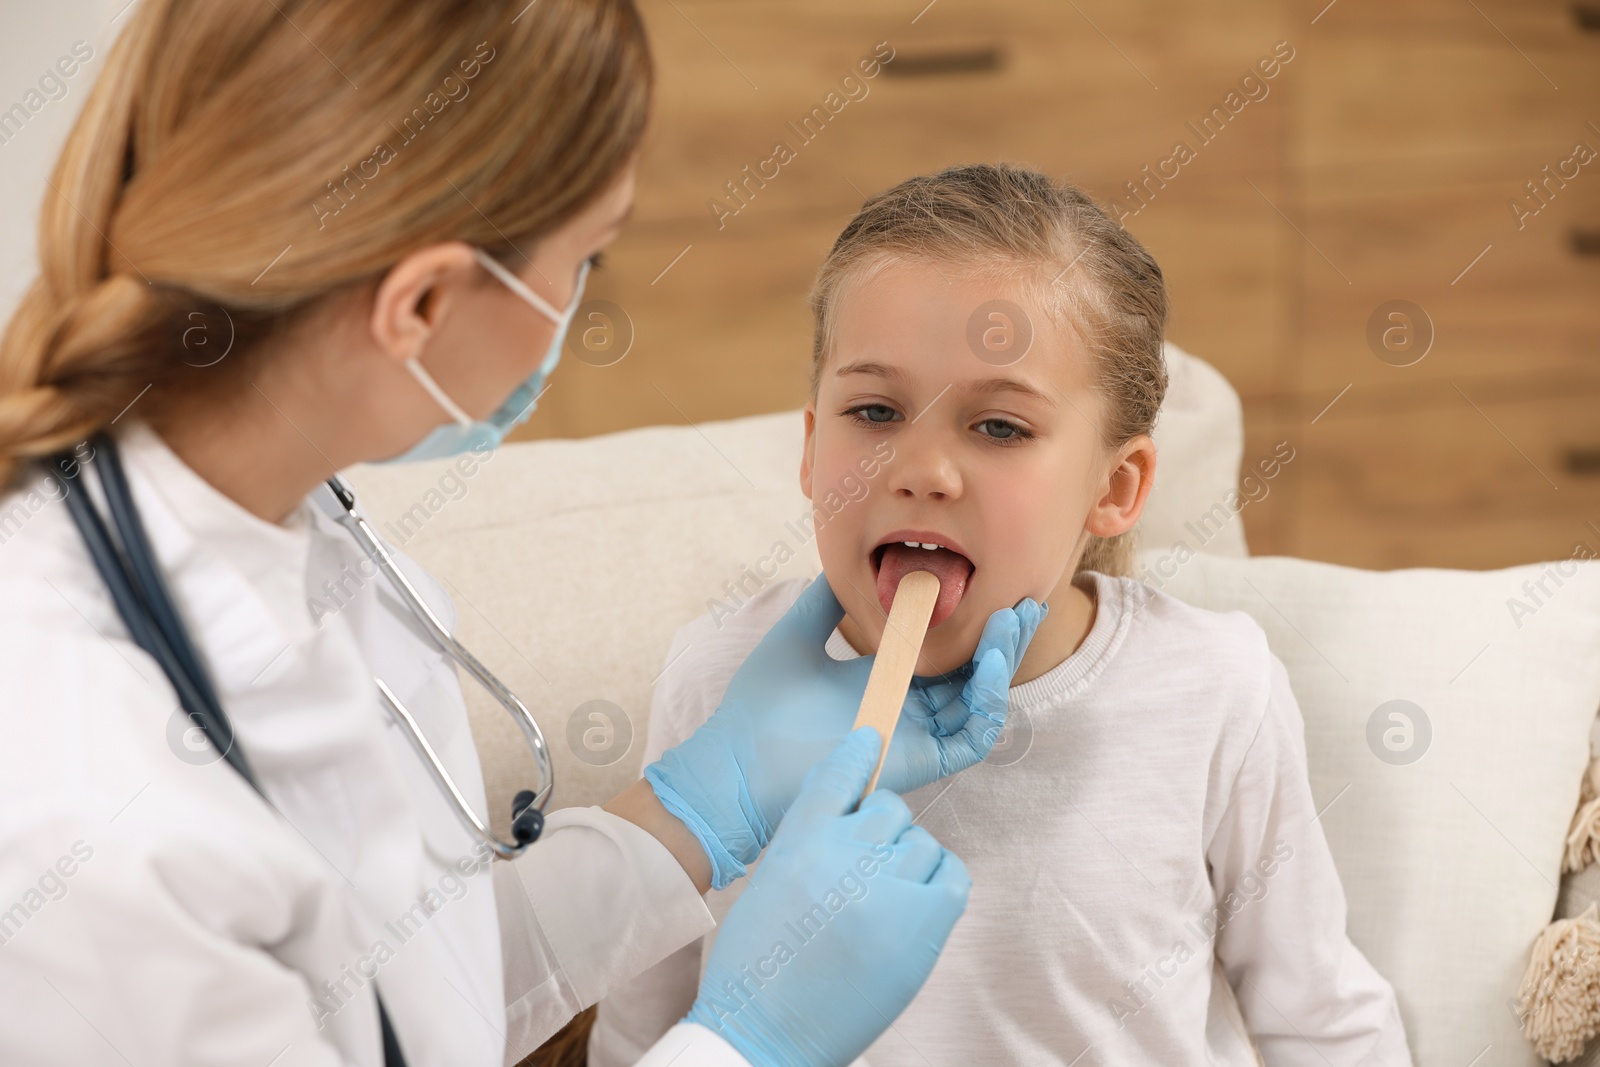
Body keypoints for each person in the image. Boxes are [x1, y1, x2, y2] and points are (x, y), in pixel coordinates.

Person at [0, 6, 1045, 1065]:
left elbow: (397, 1003)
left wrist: (696, 809)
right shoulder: (82, 821)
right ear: (421, 304)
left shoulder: (310, 551)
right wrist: (749, 1040)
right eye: (587, 255)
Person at [592, 164, 1414, 1065]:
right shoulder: (718, 677)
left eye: (1000, 427)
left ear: (1116, 484)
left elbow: (1324, 1022)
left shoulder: (1213, 690)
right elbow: (638, 1027)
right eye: (874, 410)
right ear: (811, 443)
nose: (923, 469)